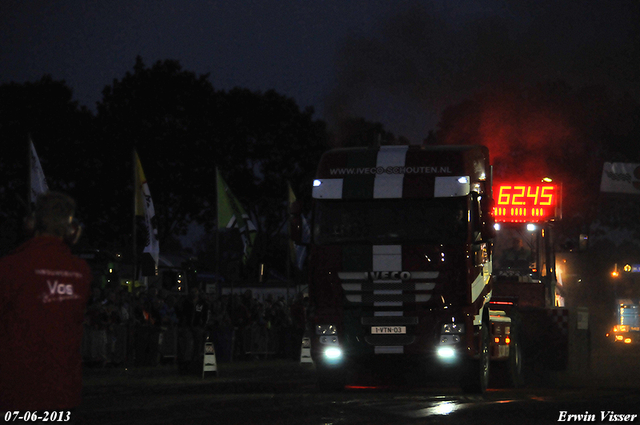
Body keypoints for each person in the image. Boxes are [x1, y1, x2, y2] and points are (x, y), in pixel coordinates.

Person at [0, 192, 91, 413]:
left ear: (30, 225)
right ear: (72, 231)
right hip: (62, 393)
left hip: (15, 392)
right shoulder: (81, 271)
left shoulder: (10, 266)